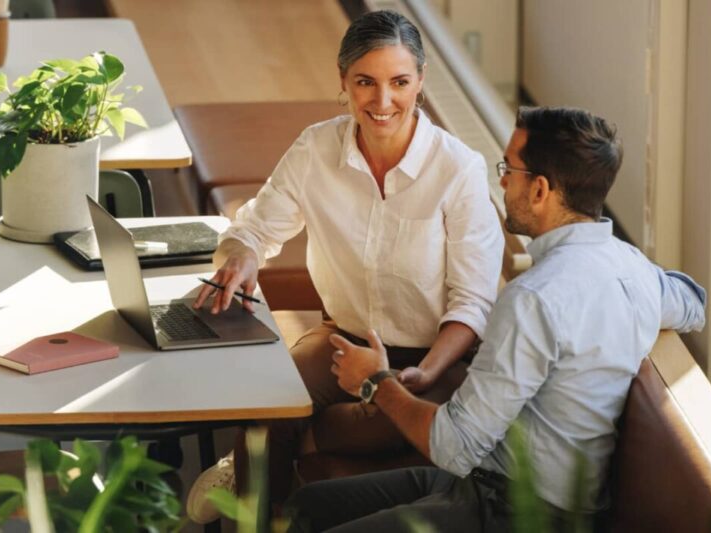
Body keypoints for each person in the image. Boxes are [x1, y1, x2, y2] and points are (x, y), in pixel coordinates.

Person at [283, 106, 709, 532]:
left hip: (520, 512)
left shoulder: (533, 299)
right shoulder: (631, 267)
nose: (502, 180)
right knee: (306, 506)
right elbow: (693, 302)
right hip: (494, 483)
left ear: (540, 190)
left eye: (510, 169)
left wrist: (377, 382)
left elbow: (454, 445)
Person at [185, 10, 505, 521]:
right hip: (342, 341)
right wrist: (242, 257)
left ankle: (269, 450)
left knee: (358, 422)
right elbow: (254, 229)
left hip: (435, 356)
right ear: (343, 82)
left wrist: (422, 373)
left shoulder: (458, 169)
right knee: (266, 403)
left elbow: (473, 301)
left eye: (400, 82)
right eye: (366, 82)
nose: (383, 102)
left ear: (420, 82)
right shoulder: (316, 148)